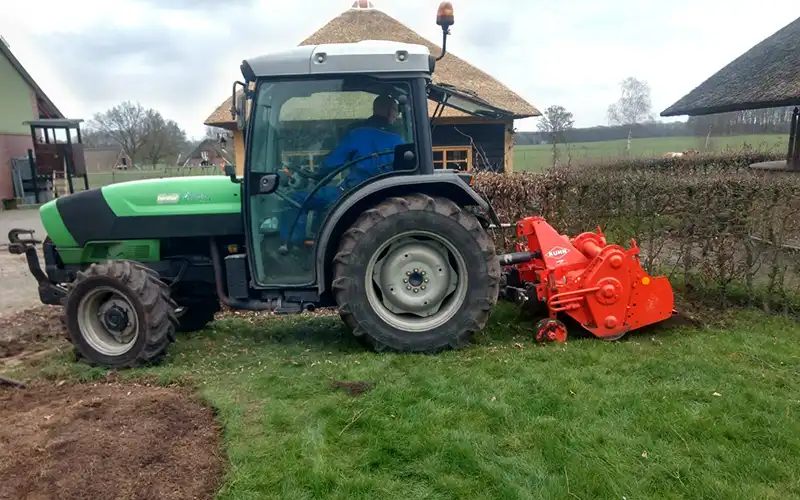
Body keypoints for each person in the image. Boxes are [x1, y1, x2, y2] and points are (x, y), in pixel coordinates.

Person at [280, 94, 406, 244]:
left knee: (295, 198)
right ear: (390, 112)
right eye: (396, 112)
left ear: (375, 109)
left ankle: (294, 245)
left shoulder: (357, 133)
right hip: (383, 194)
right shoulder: (399, 139)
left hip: (354, 192)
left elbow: (332, 163)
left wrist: (316, 173)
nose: (396, 116)